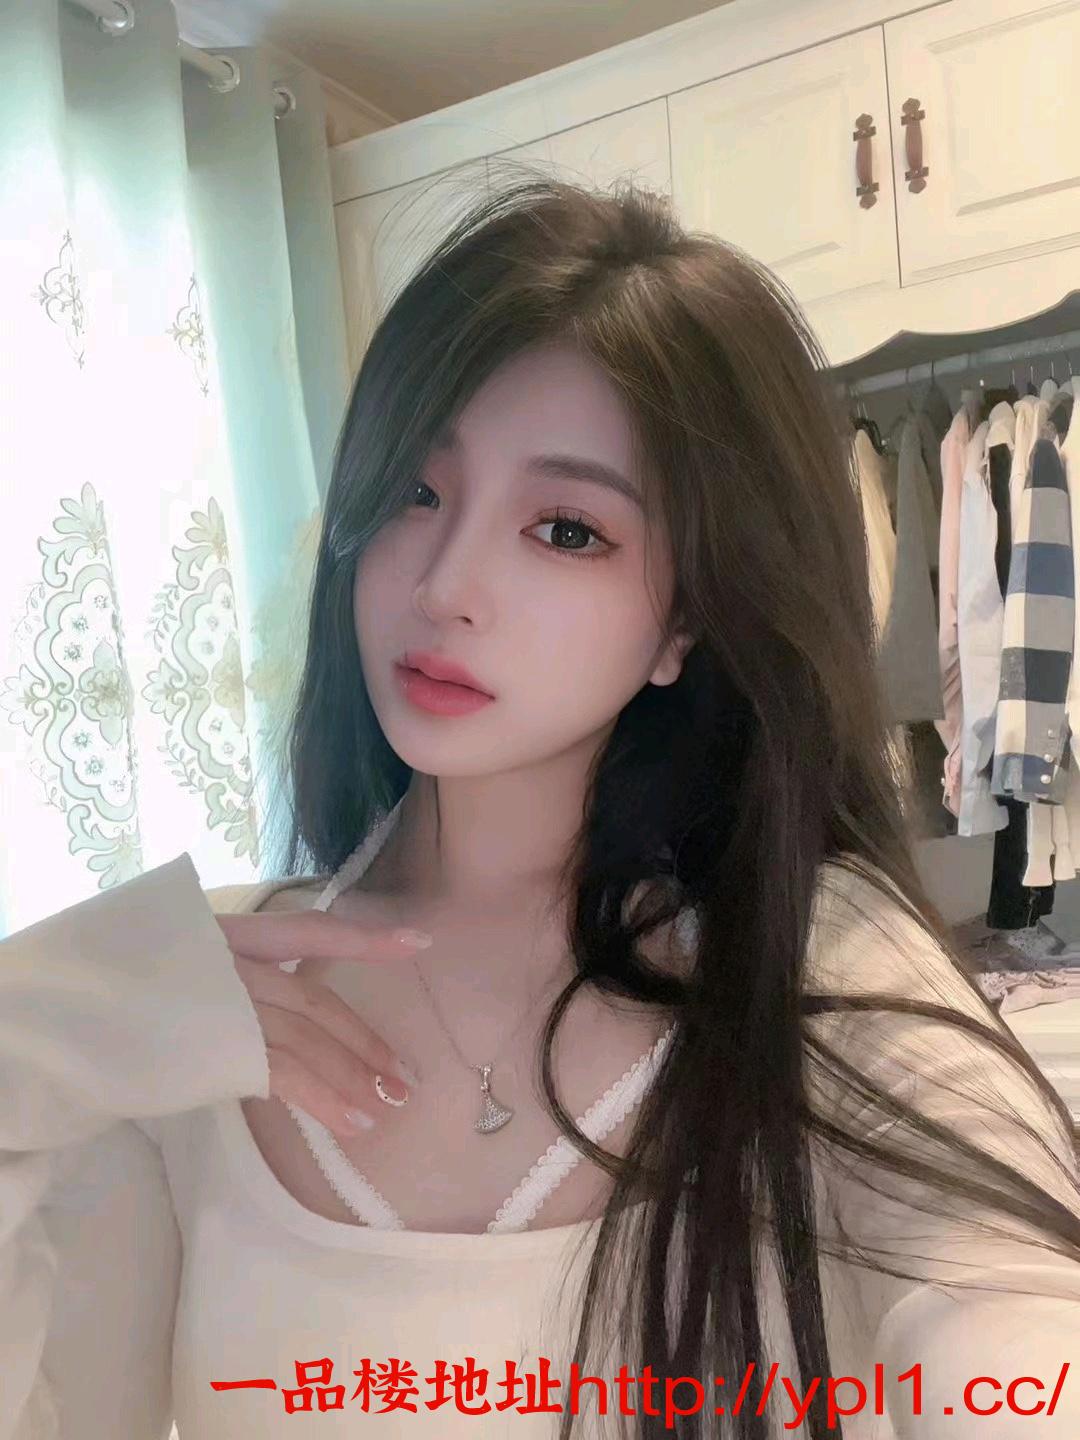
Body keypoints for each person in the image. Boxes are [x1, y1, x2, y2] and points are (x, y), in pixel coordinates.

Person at [2, 170, 1079, 1440]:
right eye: (415, 491)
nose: (443, 584)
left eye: (566, 530)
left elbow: (1015, 1324)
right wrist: (28, 1036)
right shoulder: (208, 995)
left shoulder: (809, 954)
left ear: (685, 621)